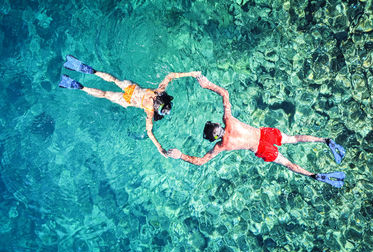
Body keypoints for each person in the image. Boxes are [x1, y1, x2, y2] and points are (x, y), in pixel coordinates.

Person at [167, 75, 346, 187]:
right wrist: (207, 85)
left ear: (214, 138)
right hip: (265, 134)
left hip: (261, 148)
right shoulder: (228, 120)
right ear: (218, 126)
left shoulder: (221, 146)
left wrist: (180, 155)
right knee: (294, 139)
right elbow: (225, 93)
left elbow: (200, 161)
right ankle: (325, 141)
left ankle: (314, 175)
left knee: (288, 164)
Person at [58, 55, 200, 157]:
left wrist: (191, 73)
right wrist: (159, 147)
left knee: (114, 80)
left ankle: (91, 71)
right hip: (128, 100)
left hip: (131, 88)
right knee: (105, 94)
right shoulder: (149, 112)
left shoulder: (158, 91)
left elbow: (170, 75)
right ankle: (80, 87)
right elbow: (149, 132)